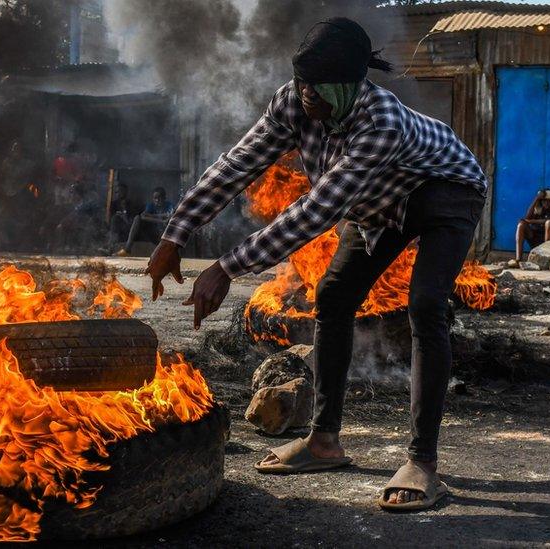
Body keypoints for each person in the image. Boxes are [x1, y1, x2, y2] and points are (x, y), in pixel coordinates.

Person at [146, 18, 487, 511]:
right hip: (379, 204)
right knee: (333, 296)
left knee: (426, 305)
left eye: (318, 87)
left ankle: (422, 463)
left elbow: (317, 212)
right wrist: (175, 234)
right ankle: (324, 442)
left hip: (444, 192)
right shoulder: (293, 100)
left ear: (352, 84)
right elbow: (237, 164)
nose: (307, 95)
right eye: (302, 83)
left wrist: (227, 267)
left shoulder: (380, 122)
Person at [511, 189, 550, 266]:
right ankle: (518, 259)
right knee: (521, 224)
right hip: (536, 240)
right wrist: (537, 198)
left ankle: (547, 259)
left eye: (548, 201)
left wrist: (531, 221)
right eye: (543, 201)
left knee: (548, 223)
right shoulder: (539, 211)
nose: (546, 203)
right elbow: (527, 218)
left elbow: (549, 221)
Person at [114, 187, 174, 256]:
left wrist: (152, 216)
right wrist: (161, 220)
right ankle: (127, 249)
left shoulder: (169, 205)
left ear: (164, 198)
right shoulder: (151, 205)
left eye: (159, 198)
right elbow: (142, 216)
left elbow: (170, 217)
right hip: (153, 233)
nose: (157, 200)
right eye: (155, 198)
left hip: (164, 234)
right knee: (137, 218)